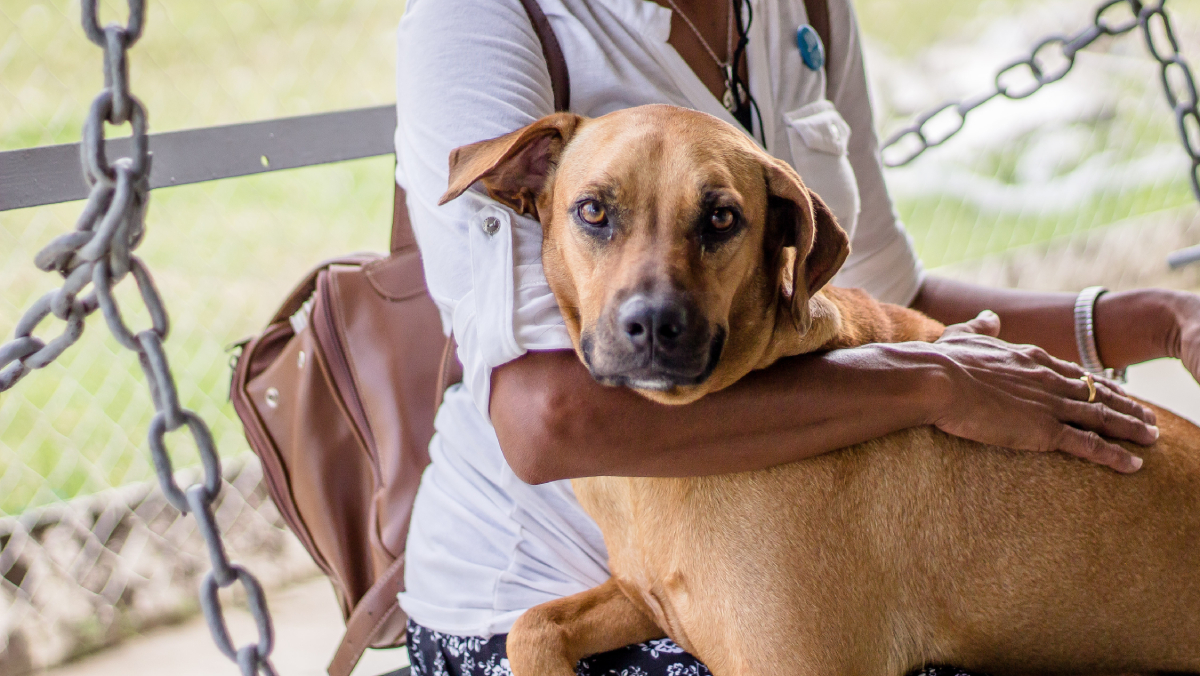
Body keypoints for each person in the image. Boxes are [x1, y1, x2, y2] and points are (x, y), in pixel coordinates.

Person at [392, 0, 1197, 674]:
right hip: (519, 577)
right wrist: (933, 385)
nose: (652, 303)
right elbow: (547, 421)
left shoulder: (804, 8)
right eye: (600, 216)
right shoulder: (483, 16)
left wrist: (1160, 318)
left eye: (716, 223)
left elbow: (889, 294)